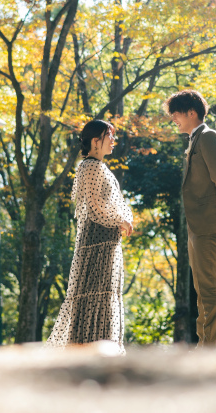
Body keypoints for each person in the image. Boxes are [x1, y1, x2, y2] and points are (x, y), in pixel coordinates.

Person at [46, 120, 134, 353]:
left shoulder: (98, 167)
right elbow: (96, 205)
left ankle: (98, 348)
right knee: (95, 296)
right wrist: (121, 220)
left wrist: (124, 219)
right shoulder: (91, 167)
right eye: (109, 136)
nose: (113, 140)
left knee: (102, 297)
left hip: (105, 241)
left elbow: (111, 203)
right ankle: (89, 349)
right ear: (96, 141)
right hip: (98, 241)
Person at [165, 90, 216, 347]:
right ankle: (203, 343)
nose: (173, 119)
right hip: (197, 225)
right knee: (201, 288)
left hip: (210, 222)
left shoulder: (208, 137)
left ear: (191, 112)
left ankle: (210, 346)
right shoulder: (195, 140)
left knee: (209, 286)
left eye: (176, 114)